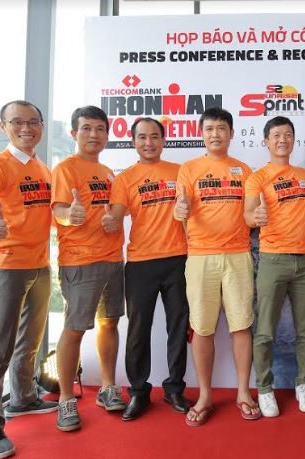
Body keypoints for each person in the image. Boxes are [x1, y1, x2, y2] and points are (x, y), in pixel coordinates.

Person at [0, 100, 57, 458]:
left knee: (29, 341)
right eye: (17, 122)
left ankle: (23, 399)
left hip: (40, 265)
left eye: (33, 122)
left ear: (41, 127)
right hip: (7, 265)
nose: (26, 128)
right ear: (2, 126)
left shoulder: (43, 169)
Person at [174, 108, 261, 426]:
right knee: (202, 328)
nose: (215, 134)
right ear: (201, 133)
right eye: (209, 129)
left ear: (231, 133)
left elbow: (251, 214)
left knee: (241, 326)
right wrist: (180, 209)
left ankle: (243, 392)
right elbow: (180, 208)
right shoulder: (189, 169)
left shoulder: (244, 170)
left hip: (238, 255)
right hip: (200, 257)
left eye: (221, 128)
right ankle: (205, 395)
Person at [108, 117, 191, 421]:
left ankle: (174, 388)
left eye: (154, 136)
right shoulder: (125, 179)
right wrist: (110, 219)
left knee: (178, 327)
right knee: (138, 330)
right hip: (141, 263)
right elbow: (117, 213)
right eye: (142, 137)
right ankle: (138, 392)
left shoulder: (180, 172)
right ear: (133, 142)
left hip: (178, 259)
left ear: (163, 140)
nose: (148, 142)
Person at [51, 106, 125, 431]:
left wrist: (114, 220)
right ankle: (66, 398)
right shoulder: (65, 169)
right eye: (86, 128)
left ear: (107, 135)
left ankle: (108, 387)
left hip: (113, 258)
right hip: (80, 260)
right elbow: (59, 209)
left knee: (110, 323)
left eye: (99, 129)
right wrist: (70, 216)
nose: (93, 134)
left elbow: (115, 210)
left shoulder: (108, 173)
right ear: (74, 133)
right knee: (75, 328)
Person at [244, 116, 305, 417]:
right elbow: (248, 215)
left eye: (288, 134)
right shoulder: (258, 178)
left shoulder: (304, 176)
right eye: (276, 135)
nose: (282, 140)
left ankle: (304, 384)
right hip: (272, 259)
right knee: (264, 330)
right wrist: (256, 218)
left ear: (293, 139)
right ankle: (264, 388)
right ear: (266, 141)